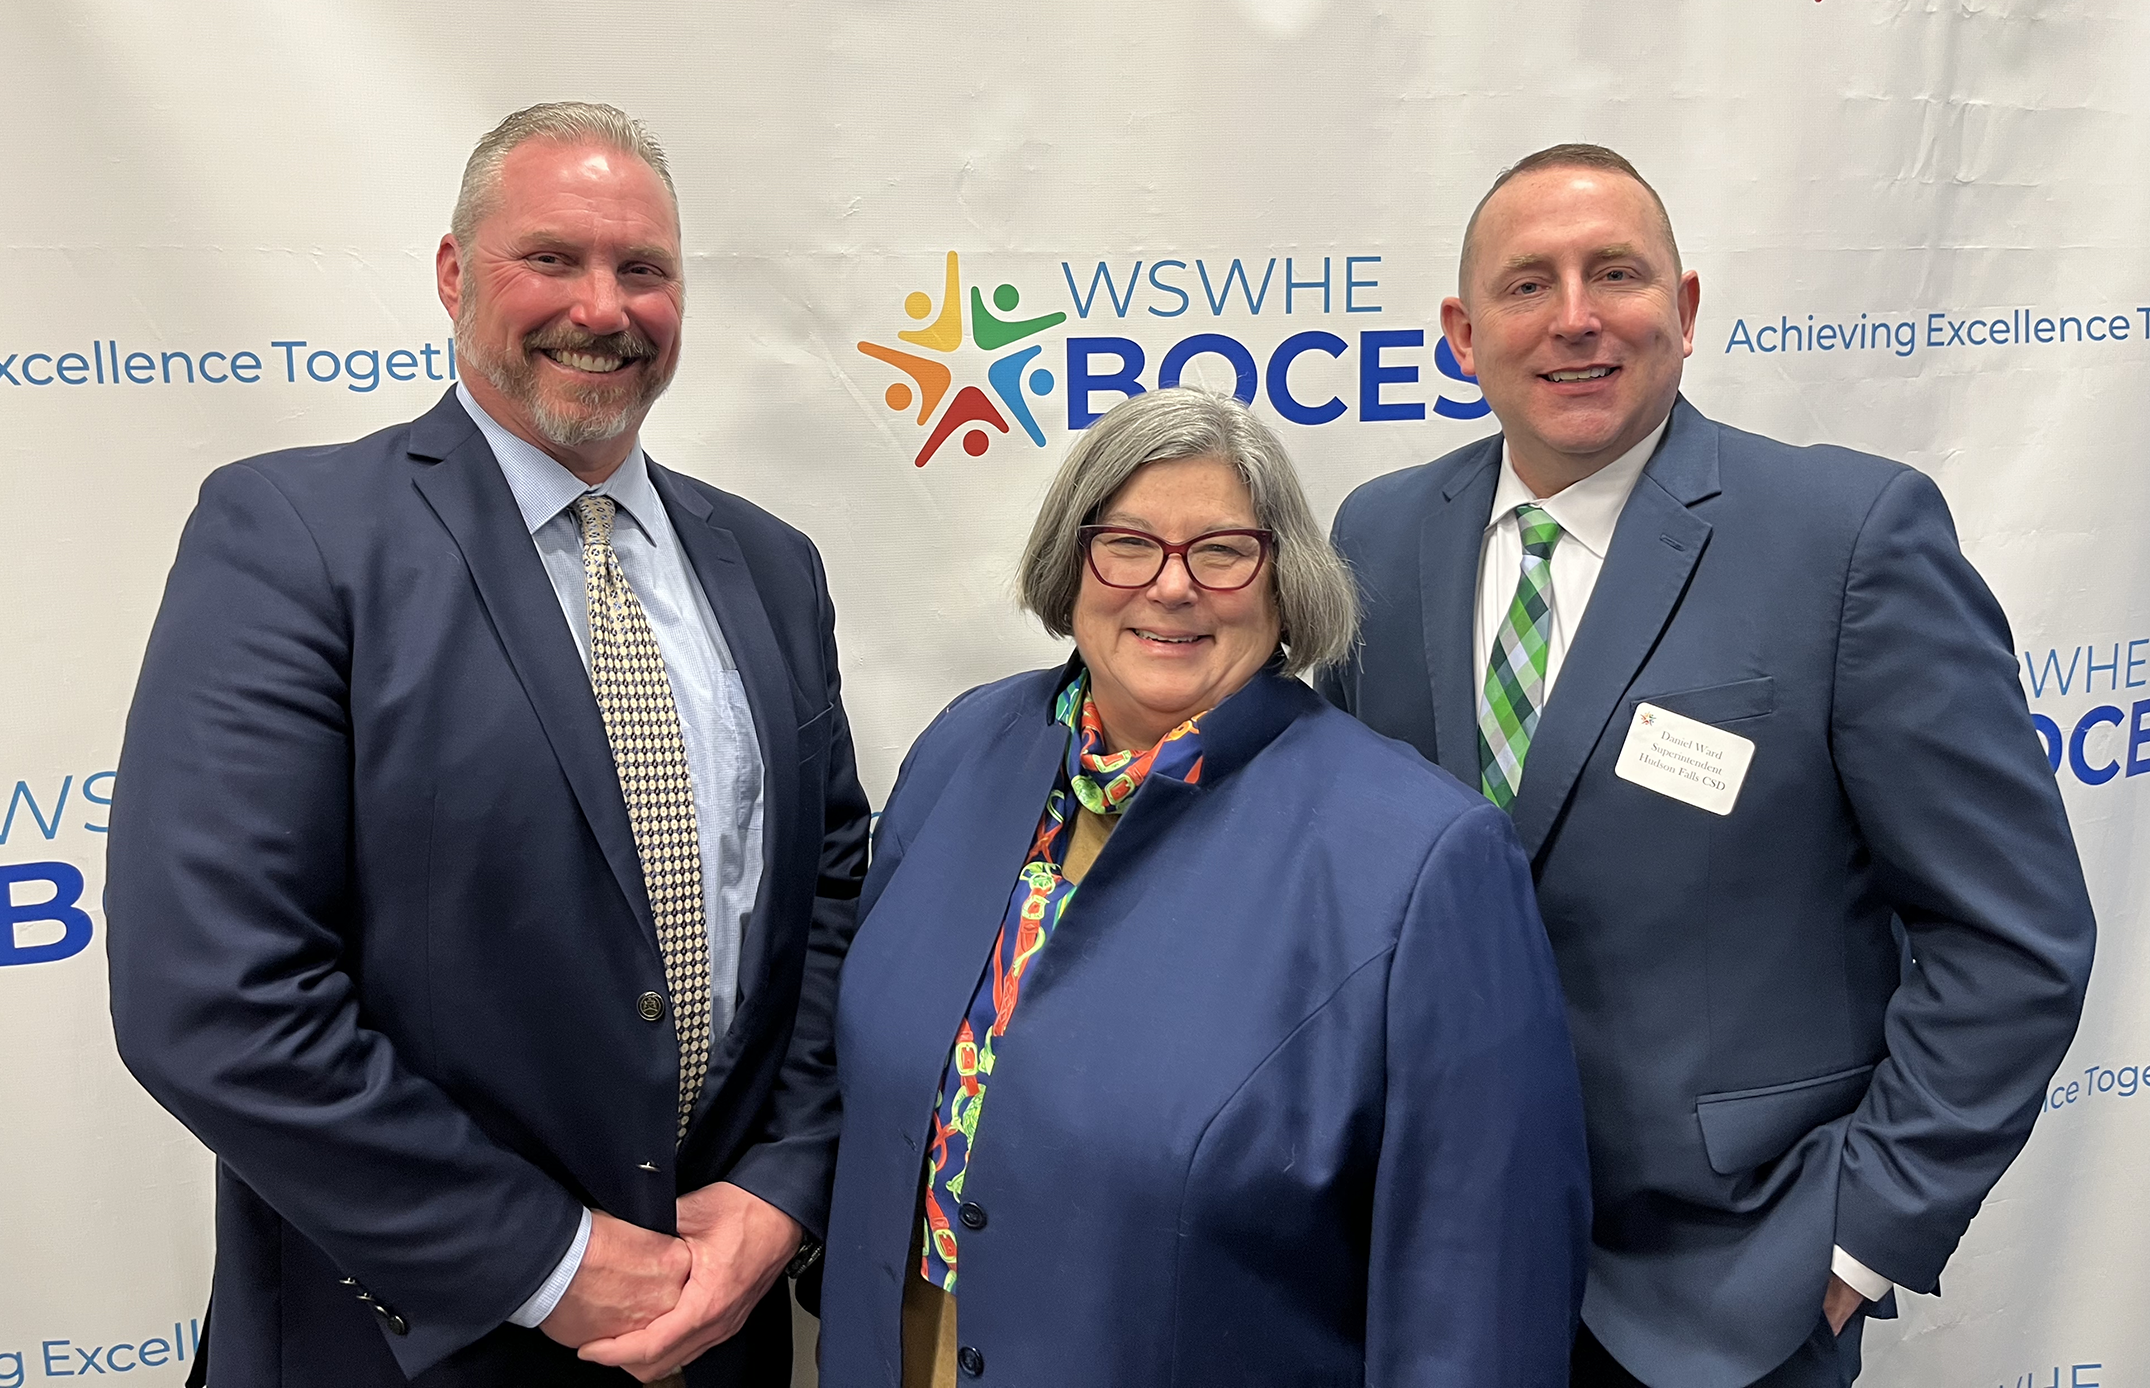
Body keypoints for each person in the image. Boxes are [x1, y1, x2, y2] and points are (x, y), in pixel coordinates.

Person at [105, 102, 868, 1387]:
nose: (604, 307)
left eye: (644, 269)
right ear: (455, 273)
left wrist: (786, 1184)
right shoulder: (294, 538)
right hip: (406, 1342)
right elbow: (213, 993)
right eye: (552, 258)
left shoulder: (771, 565)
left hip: (716, 1330)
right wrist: (551, 1261)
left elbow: (834, 890)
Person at [1320, 143, 2097, 1388]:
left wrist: (1863, 1234)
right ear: (1463, 334)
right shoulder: (1379, 535)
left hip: (1730, 1307)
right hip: (1435, 1274)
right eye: (1529, 285)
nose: (1575, 316)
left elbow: (2014, 933)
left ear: (1682, 312)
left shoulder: (1847, 539)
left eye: (1615, 272)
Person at [818, 386, 1591, 1387]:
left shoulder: (1426, 860)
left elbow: (1478, 1308)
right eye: (1128, 542)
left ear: (1286, 585)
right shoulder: (965, 748)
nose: (1171, 587)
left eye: (1223, 550)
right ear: (1071, 560)